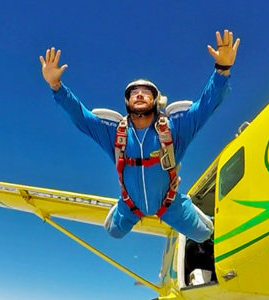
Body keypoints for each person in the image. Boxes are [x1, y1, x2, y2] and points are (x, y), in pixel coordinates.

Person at [39, 30, 239, 242]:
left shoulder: (175, 128)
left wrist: (222, 70)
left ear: (156, 100)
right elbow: (80, 115)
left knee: (204, 234)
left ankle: (196, 213)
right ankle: (120, 207)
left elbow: (205, 106)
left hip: (168, 204)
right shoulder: (115, 133)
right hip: (129, 204)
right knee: (114, 232)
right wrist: (56, 86)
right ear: (127, 102)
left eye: (146, 92)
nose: (140, 94)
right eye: (134, 93)